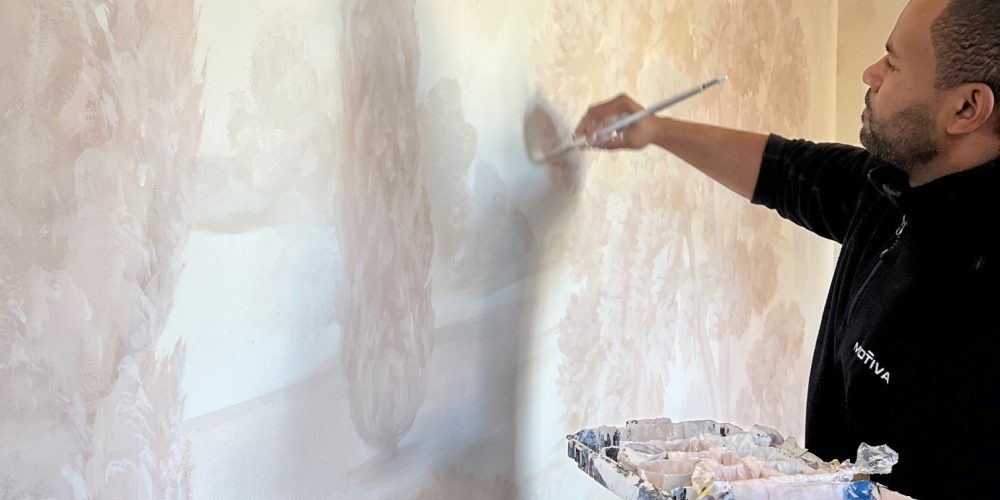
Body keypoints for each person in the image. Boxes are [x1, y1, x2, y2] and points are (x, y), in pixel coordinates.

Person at [574, 0, 999, 497]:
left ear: (966, 108)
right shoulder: (896, 188)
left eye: (893, 62)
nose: (871, 73)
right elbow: (785, 171)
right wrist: (655, 129)